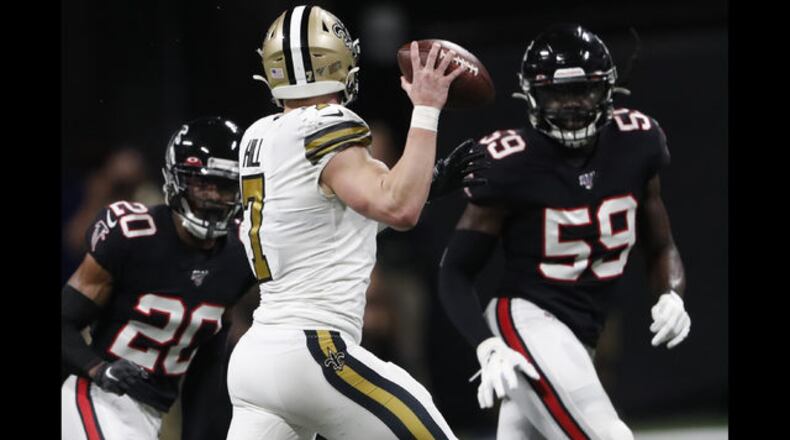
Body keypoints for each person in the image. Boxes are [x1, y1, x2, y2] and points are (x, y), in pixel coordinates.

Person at [226, 5, 475, 439]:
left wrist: (428, 184)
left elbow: (328, 223)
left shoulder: (258, 135)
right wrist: (426, 108)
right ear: (341, 63)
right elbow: (399, 209)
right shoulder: (330, 124)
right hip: (311, 349)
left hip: (257, 357)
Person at [438, 24, 691, 440]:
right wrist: (487, 344)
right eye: (557, 94)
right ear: (531, 96)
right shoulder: (509, 162)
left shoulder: (638, 142)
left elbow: (661, 244)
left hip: (581, 332)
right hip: (526, 320)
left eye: (583, 91)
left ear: (607, 90)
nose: (571, 105)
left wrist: (671, 294)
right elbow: (455, 270)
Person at [61, 116, 257, 439]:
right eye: (202, 184)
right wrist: (99, 369)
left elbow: (207, 363)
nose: (212, 197)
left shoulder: (239, 256)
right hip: (97, 394)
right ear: (176, 181)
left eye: (223, 186)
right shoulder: (133, 236)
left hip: (152, 413)